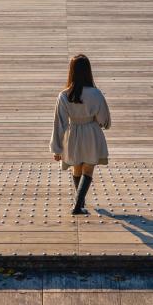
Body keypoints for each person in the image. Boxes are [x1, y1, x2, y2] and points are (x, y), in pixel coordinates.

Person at [51, 53, 111, 215]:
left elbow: (59, 123)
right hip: (91, 132)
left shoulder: (64, 95)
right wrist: (100, 122)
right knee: (88, 169)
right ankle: (78, 205)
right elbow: (103, 119)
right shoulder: (95, 93)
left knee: (76, 168)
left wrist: (56, 148)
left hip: (72, 133)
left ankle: (80, 201)